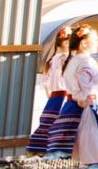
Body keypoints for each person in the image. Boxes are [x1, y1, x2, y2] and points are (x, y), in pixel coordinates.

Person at [47, 24, 98, 165]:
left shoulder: (73, 60)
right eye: (96, 39)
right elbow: (83, 87)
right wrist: (84, 99)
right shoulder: (86, 62)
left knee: (79, 150)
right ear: (84, 43)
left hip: (72, 107)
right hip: (83, 107)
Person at [26, 26, 72, 155]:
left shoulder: (52, 59)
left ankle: (38, 149)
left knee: (48, 123)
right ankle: (54, 151)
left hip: (53, 97)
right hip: (63, 96)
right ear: (65, 43)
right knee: (59, 125)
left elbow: (46, 84)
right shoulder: (64, 58)